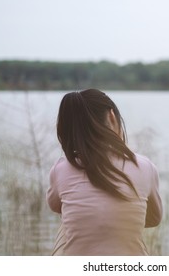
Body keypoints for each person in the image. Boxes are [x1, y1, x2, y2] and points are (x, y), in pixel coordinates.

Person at [46, 89, 162, 256]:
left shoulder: (61, 169)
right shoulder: (145, 166)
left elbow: (55, 206)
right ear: (112, 117)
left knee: (66, 225)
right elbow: (153, 219)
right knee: (132, 233)